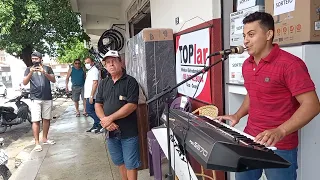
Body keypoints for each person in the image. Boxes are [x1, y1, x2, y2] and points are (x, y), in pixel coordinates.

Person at [217, 12, 320, 180]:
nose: (245, 41)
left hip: (280, 146)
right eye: (244, 36)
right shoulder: (247, 64)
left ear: (269, 34)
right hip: (250, 139)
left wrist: (280, 131)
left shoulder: (290, 64)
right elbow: (253, 94)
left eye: (251, 34)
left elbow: (312, 105)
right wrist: (237, 115)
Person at [95, 50, 141, 180]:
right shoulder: (104, 83)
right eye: (108, 62)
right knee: (119, 161)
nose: (111, 65)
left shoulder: (130, 81)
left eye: (114, 61)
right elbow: (98, 104)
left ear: (121, 62)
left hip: (128, 131)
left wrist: (110, 118)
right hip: (110, 132)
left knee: (131, 163)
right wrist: (105, 121)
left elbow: (131, 105)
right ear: (105, 66)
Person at [23, 51, 57, 152]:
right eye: (33, 59)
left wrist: (44, 72)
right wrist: (30, 72)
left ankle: (45, 139)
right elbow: (24, 82)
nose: (34, 61)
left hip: (47, 97)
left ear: (40, 59)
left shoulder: (47, 68)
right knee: (36, 120)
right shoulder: (28, 69)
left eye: (36, 59)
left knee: (46, 119)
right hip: (35, 98)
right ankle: (37, 143)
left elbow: (53, 80)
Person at [84, 57, 102, 133]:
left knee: (89, 110)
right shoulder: (91, 71)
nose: (86, 64)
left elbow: (95, 83)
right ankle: (95, 125)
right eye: (85, 63)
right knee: (94, 110)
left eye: (88, 62)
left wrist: (91, 96)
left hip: (92, 95)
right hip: (90, 95)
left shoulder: (94, 70)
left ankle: (100, 123)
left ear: (92, 62)